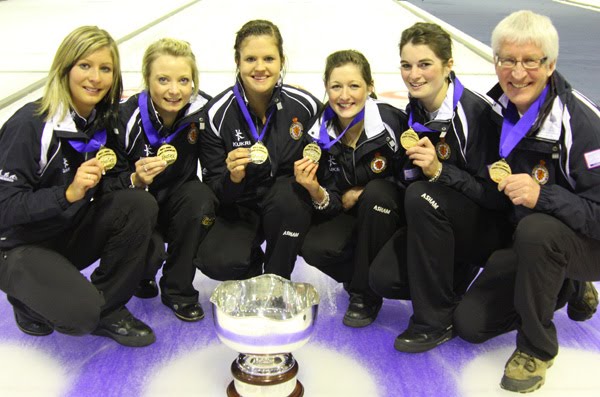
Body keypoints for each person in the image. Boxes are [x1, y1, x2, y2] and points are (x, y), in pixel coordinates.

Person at [453, 10, 600, 393]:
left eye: (530, 61)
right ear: (495, 61)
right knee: (471, 324)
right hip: (527, 238)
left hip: (586, 239)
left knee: (537, 229)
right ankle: (565, 283)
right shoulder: (495, 110)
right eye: (507, 60)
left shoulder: (580, 123)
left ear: (550, 65)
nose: (517, 73)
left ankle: (537, 347)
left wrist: (543, 195)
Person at [0, 26, 158, 347]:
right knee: (79, 316)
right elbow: (5, 209)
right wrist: (66, 194)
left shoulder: (100, 121)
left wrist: (132, 180)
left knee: (141, 207)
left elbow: (105, 188)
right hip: (18, 247)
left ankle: (109, 308)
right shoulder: (30, 125)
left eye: (105, 69)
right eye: (85, 66)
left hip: (64, 231)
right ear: (65, 68)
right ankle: (26, 297)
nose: (96, 78)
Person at [369, 22, 513, 352]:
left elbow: (495, 198)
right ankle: (452, 280)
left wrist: (439, 172)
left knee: (423, 196)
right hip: (444, 223)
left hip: (490, 227)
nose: (413, 74)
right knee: (384, 278)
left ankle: (434, 319)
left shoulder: (477, 116)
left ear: (449, 65)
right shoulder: (415, 110)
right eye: (406, 65)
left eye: (425, 64)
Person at [196, 19, 338, 280]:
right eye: (250, 59)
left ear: (281, 61)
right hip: (240, 206)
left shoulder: (305, 105)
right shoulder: (216, 114)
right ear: (237, 61)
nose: (260, 68)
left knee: (290, 202)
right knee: (216, 261)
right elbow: (216, 191)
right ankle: (252, 271)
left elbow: (331, 152)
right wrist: (233, 178)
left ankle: (277, 277)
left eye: (269, 59)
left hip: (286, 202)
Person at [111, 38, 217, 322]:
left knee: (201, 199)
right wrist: (134, 179)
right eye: (163, 80)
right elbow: (107, 183)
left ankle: (177, 290)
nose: (174, 90)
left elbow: (214, 164)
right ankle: (140, 273)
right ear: (147, 79)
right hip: (137, 207)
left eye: (184, 80)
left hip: (176, 201)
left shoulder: (202, 111)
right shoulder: (124, 117)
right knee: (150, 253)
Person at [301, 50, 407, 327]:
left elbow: (412, 179)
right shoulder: (317, 135)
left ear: (370, 87)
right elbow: (335, 202)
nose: (344, 96)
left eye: (354, 86)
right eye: (336, 86)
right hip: (354, 219)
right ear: (326, 88)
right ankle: (360, 276)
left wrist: (366, 191)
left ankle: (365, 296)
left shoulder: (392, 123)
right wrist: (315, 191)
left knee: (376, 194)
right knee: (312, 246)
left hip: (392, 216)